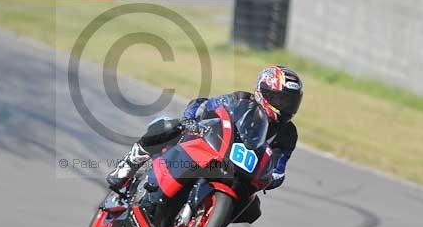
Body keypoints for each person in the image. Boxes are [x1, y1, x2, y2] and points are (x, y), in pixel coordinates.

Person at [106, 66, 303, 201]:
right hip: (210, 145)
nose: (283, 107)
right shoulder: (240, 100)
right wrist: (191, 118)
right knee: (168, 125)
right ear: (263, 91)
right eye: (279, 99)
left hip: (240, 173)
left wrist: (272, 178)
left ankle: (205, 222)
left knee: (253, 209)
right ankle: (130, 163)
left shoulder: (288, 134)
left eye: (290, 102)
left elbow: (279, 167)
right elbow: (204, 104)